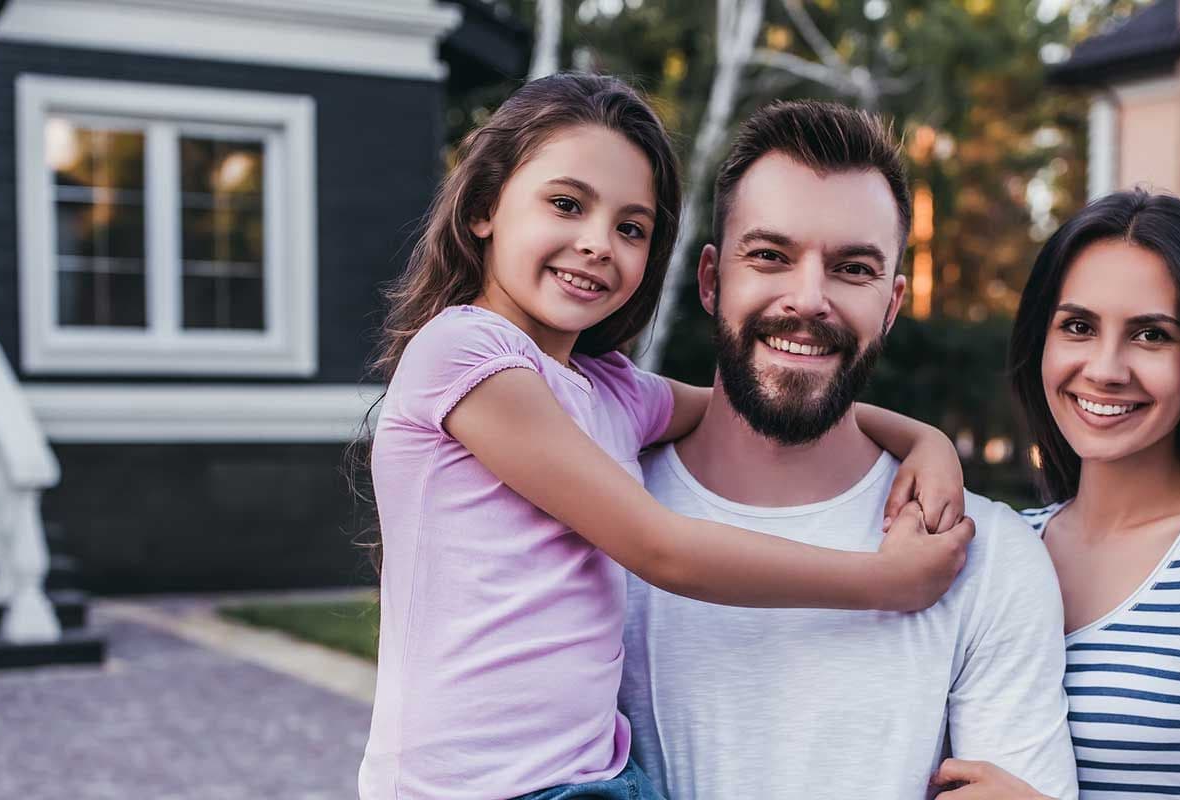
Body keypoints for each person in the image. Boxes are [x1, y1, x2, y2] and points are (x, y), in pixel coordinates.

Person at [358, 74, 976, 800]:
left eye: (631, 228)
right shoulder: (463, 355)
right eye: (566, 204)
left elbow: (743, 402)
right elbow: (661, 548)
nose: (597, 244)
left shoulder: (612, 391)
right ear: (485, 207)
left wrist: (925, 442)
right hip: (472, 789)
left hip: (592, 775)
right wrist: (886, 583)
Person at [616, 100, 1079, 800]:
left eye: (853, 268)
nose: (808, 300)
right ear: (711, 280)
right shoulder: (599, 519)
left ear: (891, 305)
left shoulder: (984, 558)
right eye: (770, 257)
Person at [931, 189, 1180, 799]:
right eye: (1078, 327)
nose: (1105, 369)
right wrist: (919, 441)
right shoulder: (1004, 547)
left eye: (1150, 334)